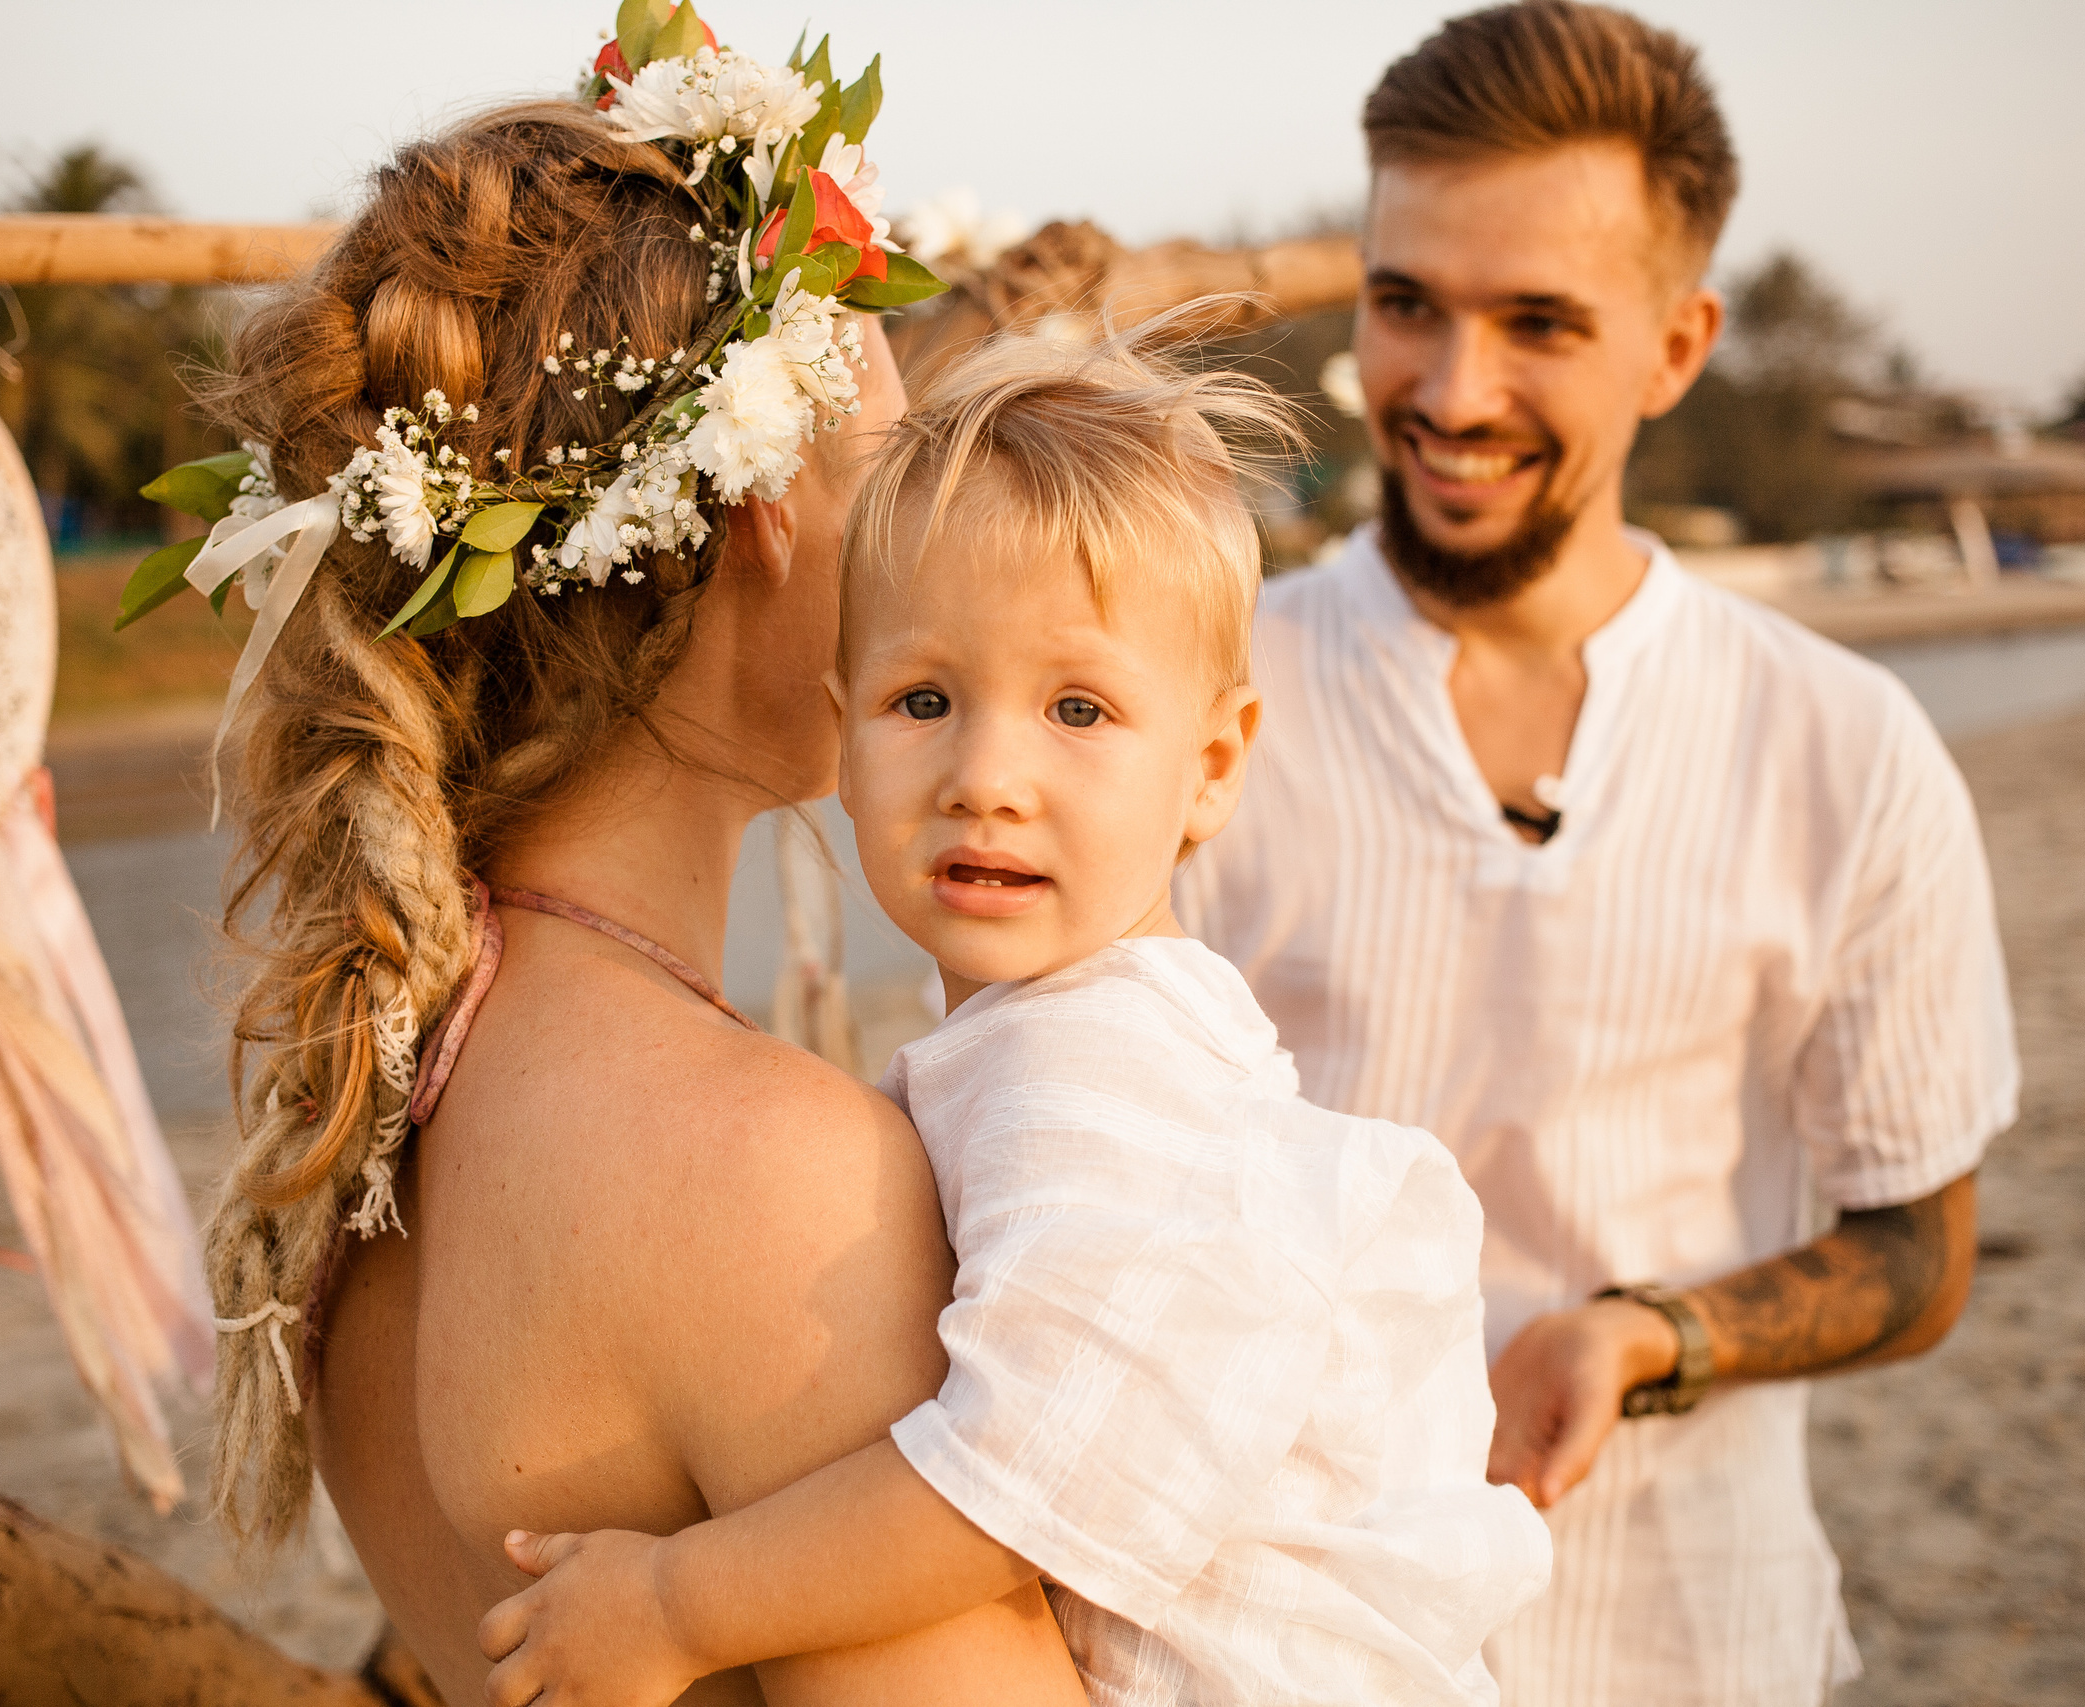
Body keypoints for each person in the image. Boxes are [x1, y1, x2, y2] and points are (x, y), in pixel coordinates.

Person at [475, 332, 1552, 1706]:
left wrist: (685, 1603)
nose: (989, 776)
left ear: (1213, 766)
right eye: (923, 700)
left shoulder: (1103, 1069)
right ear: (845, 742)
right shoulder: (1048, 1038)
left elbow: (1031, 1480)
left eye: (1080, 710)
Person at [187, 93, 1090, 1705]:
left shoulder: (378, 1088)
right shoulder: (760, 1180)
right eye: (890, 456)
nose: (922, 528)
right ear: (764, 508)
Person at [1176, 4, 2019, 1703]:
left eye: (1538, 323)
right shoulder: (1197, 704)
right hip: (1272, 1648)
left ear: (1679, 344)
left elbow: (1918, 1252)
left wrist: (1651, 1337)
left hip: (1694, 1639)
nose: (1450, 390)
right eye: (1407, 303)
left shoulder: (1845, 750)